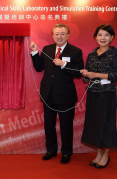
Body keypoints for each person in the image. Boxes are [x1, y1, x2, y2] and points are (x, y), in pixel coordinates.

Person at [30, 24, 84, 164]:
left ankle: (66, 153)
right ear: (52, 36)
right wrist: (35, 52)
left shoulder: (75, 51)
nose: (59, 36)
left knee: (66, 126)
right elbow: (39, 67)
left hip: (66, 96)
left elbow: (79, 72)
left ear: (68, 35)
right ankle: (51, 150)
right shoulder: (47, 49)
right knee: (49, 124)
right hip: (48, 94)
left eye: (62, 33)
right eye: (56, 34)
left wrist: (64, 64)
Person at [80, 24, 117, 169]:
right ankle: (98, 153)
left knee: (106, 125)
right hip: (93, 93)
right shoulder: (92, 53)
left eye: (106, 35)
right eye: (100, 35)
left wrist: (96, 75)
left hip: (107, 94)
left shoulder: (115, 53)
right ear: (95, 37)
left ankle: (106, 154)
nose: (102, 38)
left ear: (112, 37)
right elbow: (87, 78)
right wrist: (85, 74)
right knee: (94, 124)